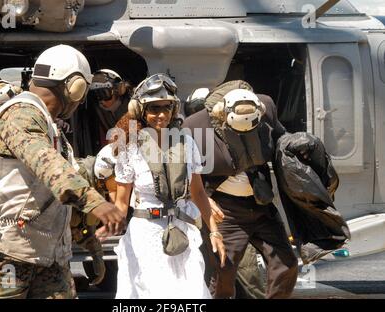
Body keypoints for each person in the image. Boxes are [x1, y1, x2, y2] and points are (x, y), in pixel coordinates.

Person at [0, 44, 125, 299]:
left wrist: (85, 237)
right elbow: (47, 165)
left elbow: (51, 192)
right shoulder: (20, 114)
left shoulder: (50, 128)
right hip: (0, 255)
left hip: (46, 256)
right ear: (74, 87)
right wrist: (96, 203)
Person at [105, 73, 225, 299]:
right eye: (154, 108)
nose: (161, 114)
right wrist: (107, 223)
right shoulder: (128, 146)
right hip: (146, 236)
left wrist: (214, 231)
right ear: (141, 111)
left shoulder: (186, 142)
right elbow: (122, 202)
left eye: (167, 108)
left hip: (183, 230)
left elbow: (197, 192)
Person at [183, 80, 298, 299]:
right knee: (223, 274)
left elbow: (280, 137)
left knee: (287, 263)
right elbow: (183, 173)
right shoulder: (194, 127)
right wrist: (204, 199)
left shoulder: (266, 109)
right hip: (225, 212)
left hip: (260, 204)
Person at [184, 86, 267, 299]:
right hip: (196, 221)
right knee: (205, 273)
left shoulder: (234, 136)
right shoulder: (185, 140)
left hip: (226, 219)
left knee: (246, 273)